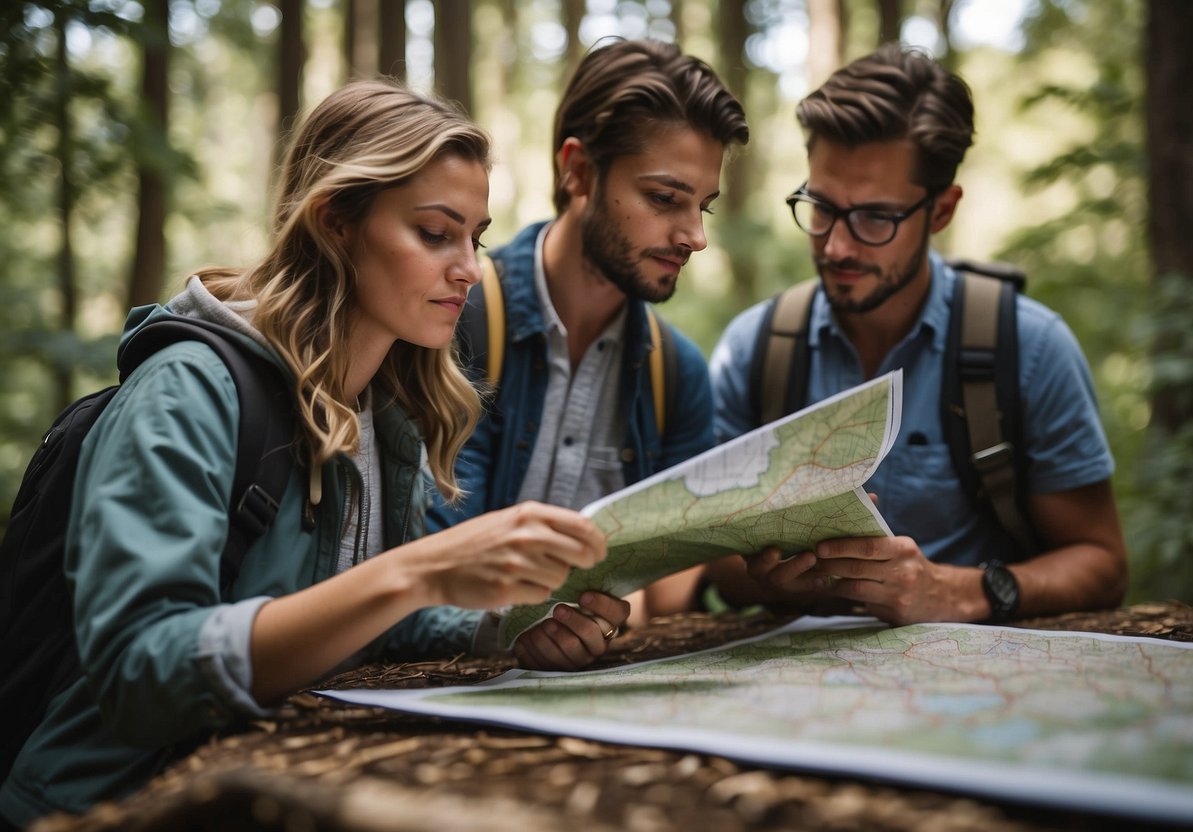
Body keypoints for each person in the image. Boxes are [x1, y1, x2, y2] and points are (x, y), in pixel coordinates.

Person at [0, 80, 630, 828]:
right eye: (435, 233)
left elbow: (361, 618)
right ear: (335, 222)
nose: (468, 267)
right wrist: (416, 570)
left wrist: (511, 627)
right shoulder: (187, 392)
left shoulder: (384, 409)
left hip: (260, 790)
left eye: (476, 237)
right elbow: (142, 671)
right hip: (104, 806)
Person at [707, 44, 1128, 626]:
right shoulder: (756, 349)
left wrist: (963, 592)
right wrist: (771, 578)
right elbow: (716, 567)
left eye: (876, 217)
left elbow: (1102, 562)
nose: (836, 246)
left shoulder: (1028, 349)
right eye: (822, 206)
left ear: (942, 210)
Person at [427, 39, 749, 625]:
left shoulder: (676, 372)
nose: (695, 236)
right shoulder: (455, 322)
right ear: (577, 170)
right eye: (664, 198)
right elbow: (428, 559)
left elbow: (674, 585)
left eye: (702, 205)